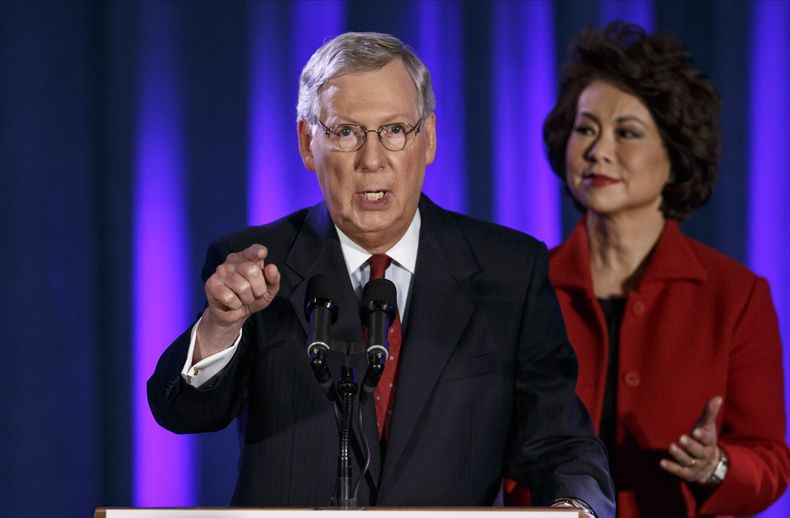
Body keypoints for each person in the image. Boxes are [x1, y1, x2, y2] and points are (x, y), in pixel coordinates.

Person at [147, 32, 614, 516]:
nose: (373, 161)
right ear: (309, 145)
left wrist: (573, 505)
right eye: (346, 132)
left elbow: (560, 441)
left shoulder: (509, 271)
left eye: (394, 130)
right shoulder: (255, 267)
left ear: (428, 139)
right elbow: (183, 412)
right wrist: (222, 325)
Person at [503, 21, 790, 517]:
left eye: (627, 132)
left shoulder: (736, 295)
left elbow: (768, 461)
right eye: (586, 128)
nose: (599, 150)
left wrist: (715, 466)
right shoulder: (520, 285)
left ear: (675, 155)